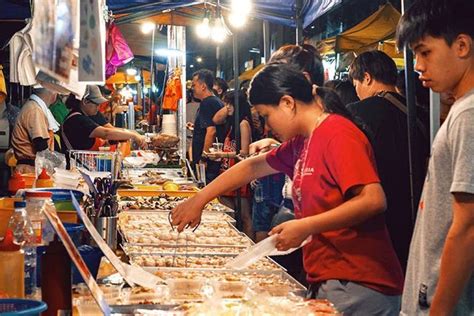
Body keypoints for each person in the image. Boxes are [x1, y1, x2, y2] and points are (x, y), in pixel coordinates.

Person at [171, 64, 404, 314]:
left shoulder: (338, 133)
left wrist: (305, 226)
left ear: (287, 103)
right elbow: (253, 166)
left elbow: (373, 200)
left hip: (360, 283)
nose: (268, 127)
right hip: (329, 277)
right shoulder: (302, 141)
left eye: (266, 116)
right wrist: (200, 199)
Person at [396, 0, 474, 314]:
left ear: (462, 45)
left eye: (424, 51)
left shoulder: (469, 114)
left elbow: (468, 227)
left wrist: (438, 310)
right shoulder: (460, 110)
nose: (417, 65)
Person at [348, 50, 430, 272]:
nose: (357, 92)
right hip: (417, 213)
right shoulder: (421, 114)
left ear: (366, 78)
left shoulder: (355, 114)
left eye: (356, 84)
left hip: (375, 219)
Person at [210, 90, 254, 238]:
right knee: (228, 212)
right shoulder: (232, 124)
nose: (227, 107)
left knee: (244, 215)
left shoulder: (243, 124)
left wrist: (222, 154)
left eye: (229, 104)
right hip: (226, 171)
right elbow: (216, 119)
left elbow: (244, 153)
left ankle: (248, 245)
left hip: (239, 174)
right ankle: (231, 238)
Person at [61, 85, 146, 152]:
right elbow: (106, 133)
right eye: (96, 104)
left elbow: (109, 130)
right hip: (74, 168)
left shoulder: (86, 115)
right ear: (85, 101)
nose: (98, 107)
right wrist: (133, 135)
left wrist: (132, 133)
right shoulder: (77, 120)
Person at [11, 88, 58, 173]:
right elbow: (40, 143)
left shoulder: (34, 106)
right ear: (52, 93)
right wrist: (58, 163)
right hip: (29, 169)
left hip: (32, 167)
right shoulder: (34, 110)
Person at [190, 69, 225, 183]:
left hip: (208, 163)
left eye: (194, 85)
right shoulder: (215, 101)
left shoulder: (207, 102)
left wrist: (203, 158)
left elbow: (211, 131)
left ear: (203, 86)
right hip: (212, 160)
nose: (192, 88)